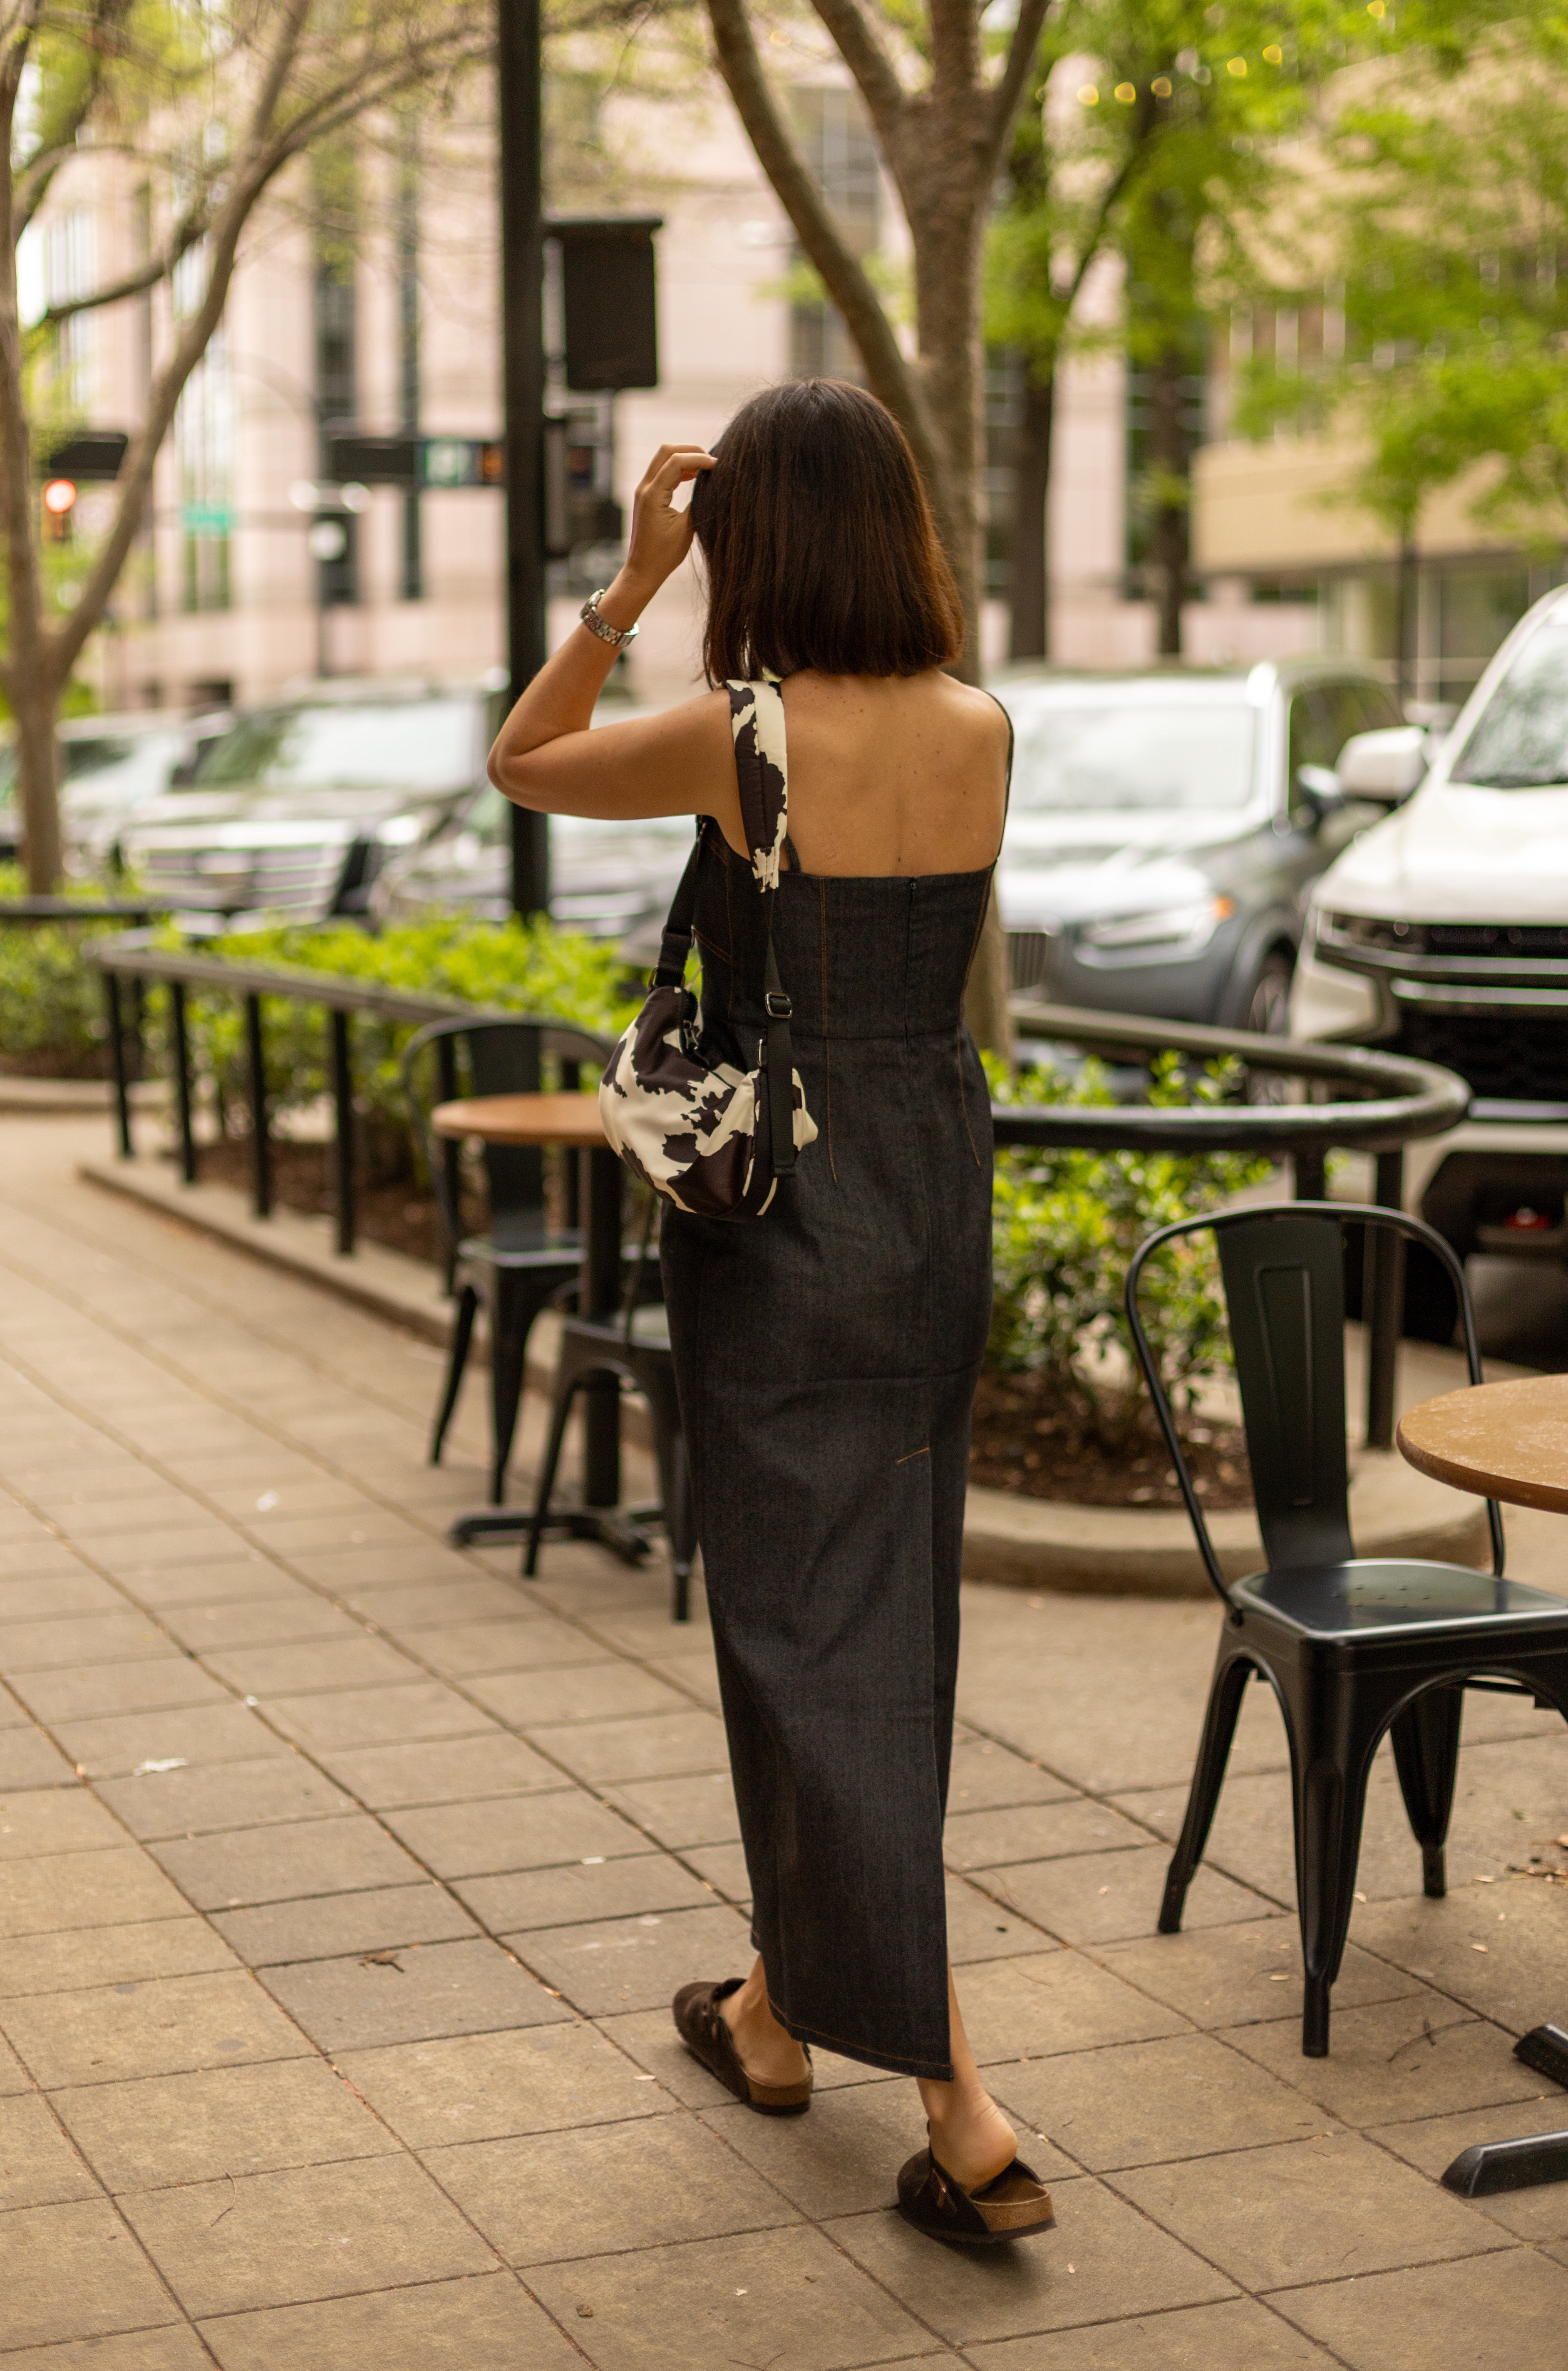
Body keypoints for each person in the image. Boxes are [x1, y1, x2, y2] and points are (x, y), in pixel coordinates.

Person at [489, 379, 1052, 2248]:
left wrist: (624, 585)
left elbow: (523, 760)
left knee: (813, 1641)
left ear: (759, 537)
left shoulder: (745, 735)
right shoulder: (978, 723)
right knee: (860, 1608)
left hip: (784, 1199)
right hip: (929, 1174)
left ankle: (964, 2107)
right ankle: (770, 2013)